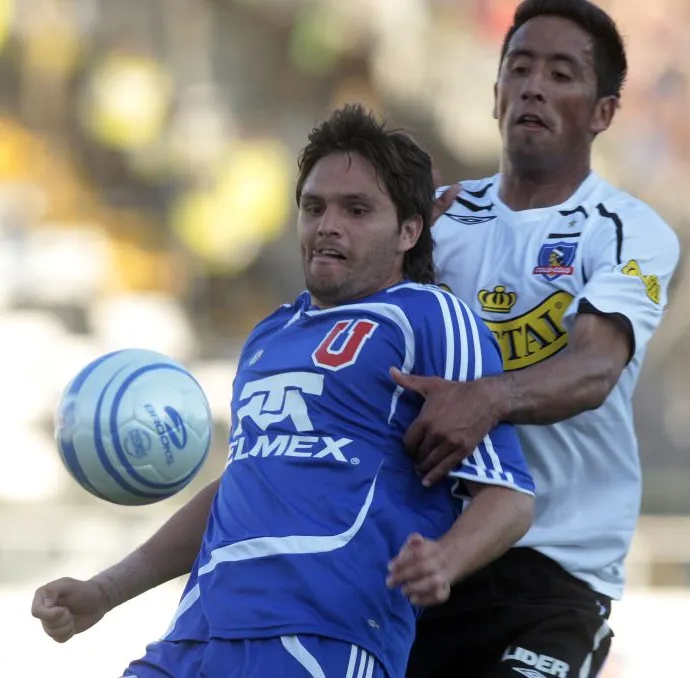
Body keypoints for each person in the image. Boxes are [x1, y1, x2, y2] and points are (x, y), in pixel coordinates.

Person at [31, 104, 536, 678]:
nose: (327, 225)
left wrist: (446, 560)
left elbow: (510, 495)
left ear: (409, 231)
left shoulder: (432, 318)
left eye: (357, 209)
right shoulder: (271, 333)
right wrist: (106, 590)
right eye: (313, 207)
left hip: (322, 638)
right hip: (196, 635)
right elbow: (242, 483)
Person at [398, 1, 681, 676]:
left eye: (562, 74)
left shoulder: (625, 229)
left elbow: (593, 369)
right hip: (428, 558)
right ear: (495, 94)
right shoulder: (435, 218)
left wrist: (486, 399)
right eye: (519, 69)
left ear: (604, 112)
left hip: (556, 573)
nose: (534, 87)